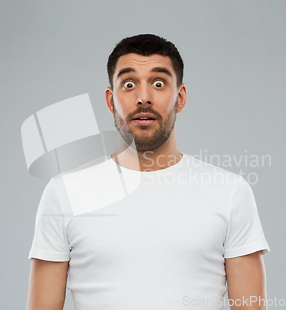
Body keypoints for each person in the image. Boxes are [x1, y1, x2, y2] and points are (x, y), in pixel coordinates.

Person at [25, 34, 270, 310]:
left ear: (180, 98)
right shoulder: (64, 194)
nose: (144, 98)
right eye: (129, 84)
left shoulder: (230, 193)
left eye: (158, 83)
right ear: (110, 100)